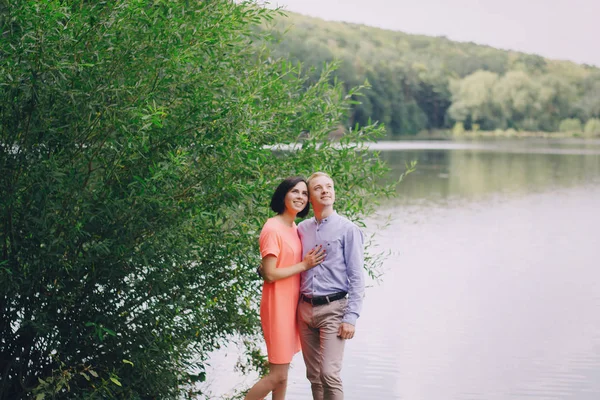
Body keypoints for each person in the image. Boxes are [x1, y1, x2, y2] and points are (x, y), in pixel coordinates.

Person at [245, 176, 326, 400]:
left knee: (282, 375)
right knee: (277, 376)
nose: (300, 197)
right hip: (277, 306)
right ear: (283, 195)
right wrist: (304, 265)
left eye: (304, 194)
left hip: (293, 306)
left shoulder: (294, 227)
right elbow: (270, 273)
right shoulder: (272, 228)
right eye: (295, 192)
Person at [297, 172, 365, 400]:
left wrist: (351, 317)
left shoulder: (349, 230)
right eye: (318, 188)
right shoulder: (301, 229)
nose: (325, 190)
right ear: (309, 197)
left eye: (329, 186)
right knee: (314, 375)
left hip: (334, 310)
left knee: (329, 374)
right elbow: (287, 259)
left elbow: (357, 277)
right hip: (304, 310)